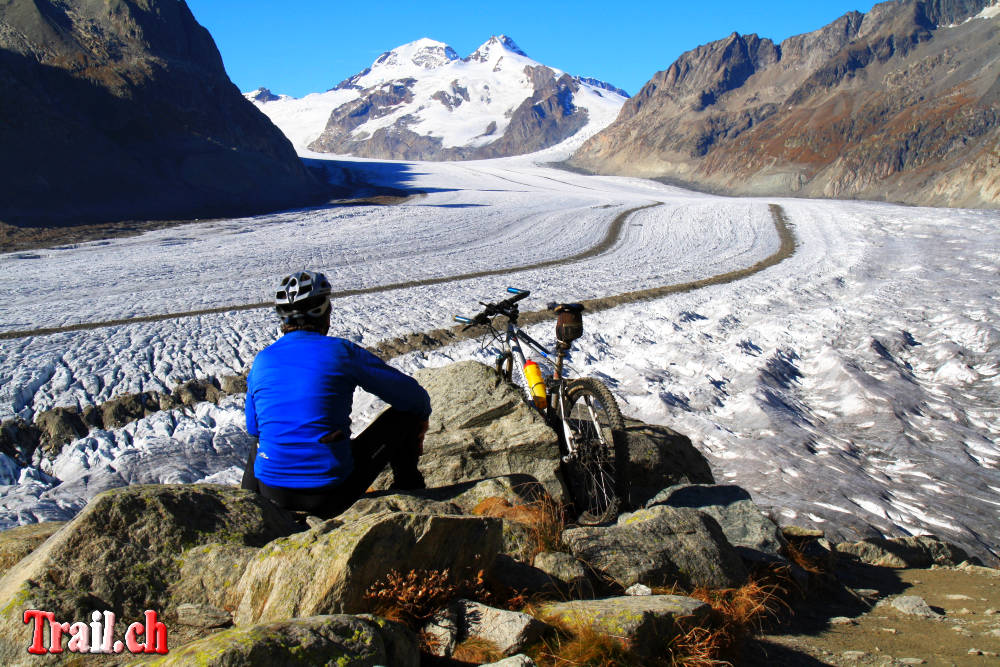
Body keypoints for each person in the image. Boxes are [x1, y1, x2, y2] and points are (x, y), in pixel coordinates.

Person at [241, 270, 431, 517]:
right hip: (330, 494)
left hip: (274, 493)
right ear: (323, 311)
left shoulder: (262, 360)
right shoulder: (340, 352)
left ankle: (250, 511)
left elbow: (253, 428)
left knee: (263, 441)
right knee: (406, 417)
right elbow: (415, 399)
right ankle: (410, 488)